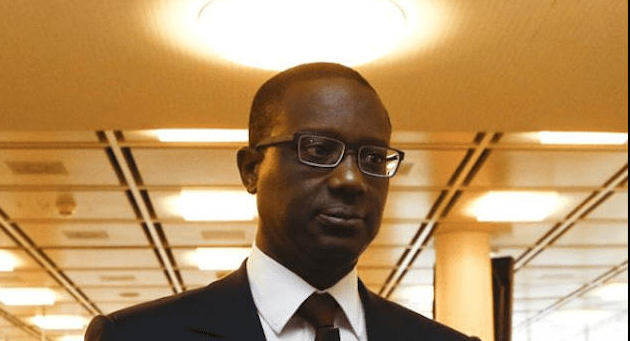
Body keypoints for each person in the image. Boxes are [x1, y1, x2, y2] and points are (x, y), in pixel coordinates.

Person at [85, 62, 480, 341]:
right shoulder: (136, 335)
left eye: (374, 158)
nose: (351, 180)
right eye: (319, 150)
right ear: (251, 169)